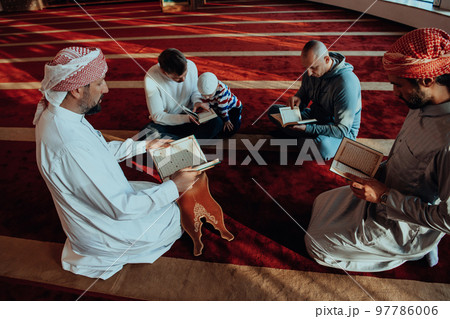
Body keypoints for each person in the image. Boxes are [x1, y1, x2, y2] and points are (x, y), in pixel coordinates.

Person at [34, 46, 200, 280]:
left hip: (98, 204)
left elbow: (98, 151)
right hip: (104, 231)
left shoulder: (63, 116)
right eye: (100, 82)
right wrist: (176, 186)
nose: (107, 89)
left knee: (155, 193)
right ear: (77, 90)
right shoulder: (68, 144)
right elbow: (121, 208)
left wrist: (144, 146)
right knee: (175, 215)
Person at [305, 28, 450, 272]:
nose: (394, 93)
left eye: (398, 85)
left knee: (316, 245)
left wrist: (384, 197)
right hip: (385, 190)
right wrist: (377, 171)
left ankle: (412, 251)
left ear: (427, 80)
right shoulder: (421, 101)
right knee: (321, 202)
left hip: (403, 221)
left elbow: (446, 219)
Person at [268, 40, 361, 160]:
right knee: (273, 111)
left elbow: (342, 130)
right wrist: (297, 100)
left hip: (339, 131)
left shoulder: (346, 83)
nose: (309, 73)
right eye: (306, 67)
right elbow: (303, 97)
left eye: (313, 67)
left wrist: (308, 129)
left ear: (327, 60)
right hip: (315, 117)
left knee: (322, 148)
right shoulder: (311, 71)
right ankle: (301, 136)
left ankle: (299, 136)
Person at [143, 48, 223, 140]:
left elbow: (194, 91)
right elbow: (157, 116)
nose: (184, 80)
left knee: (217, 122)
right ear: (163, 72)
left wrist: (197, 102)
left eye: (185, 74)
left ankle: (176, 142)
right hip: (169, 121)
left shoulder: (191, 65)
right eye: (178, 78)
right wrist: (186, 118)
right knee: (148, 133)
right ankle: (189, 142)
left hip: (192, 117)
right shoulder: (151, 78)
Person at [197, 72, 243, 137]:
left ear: (217, 87)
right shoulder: (202, 88)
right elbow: (205, 101)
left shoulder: (223, 91)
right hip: (216, 107)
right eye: (204, 95)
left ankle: (238, 118)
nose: (206, 97)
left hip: (231, 108)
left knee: (230, 130)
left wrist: (226, 120)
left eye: (209, 94)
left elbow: (223, 108)